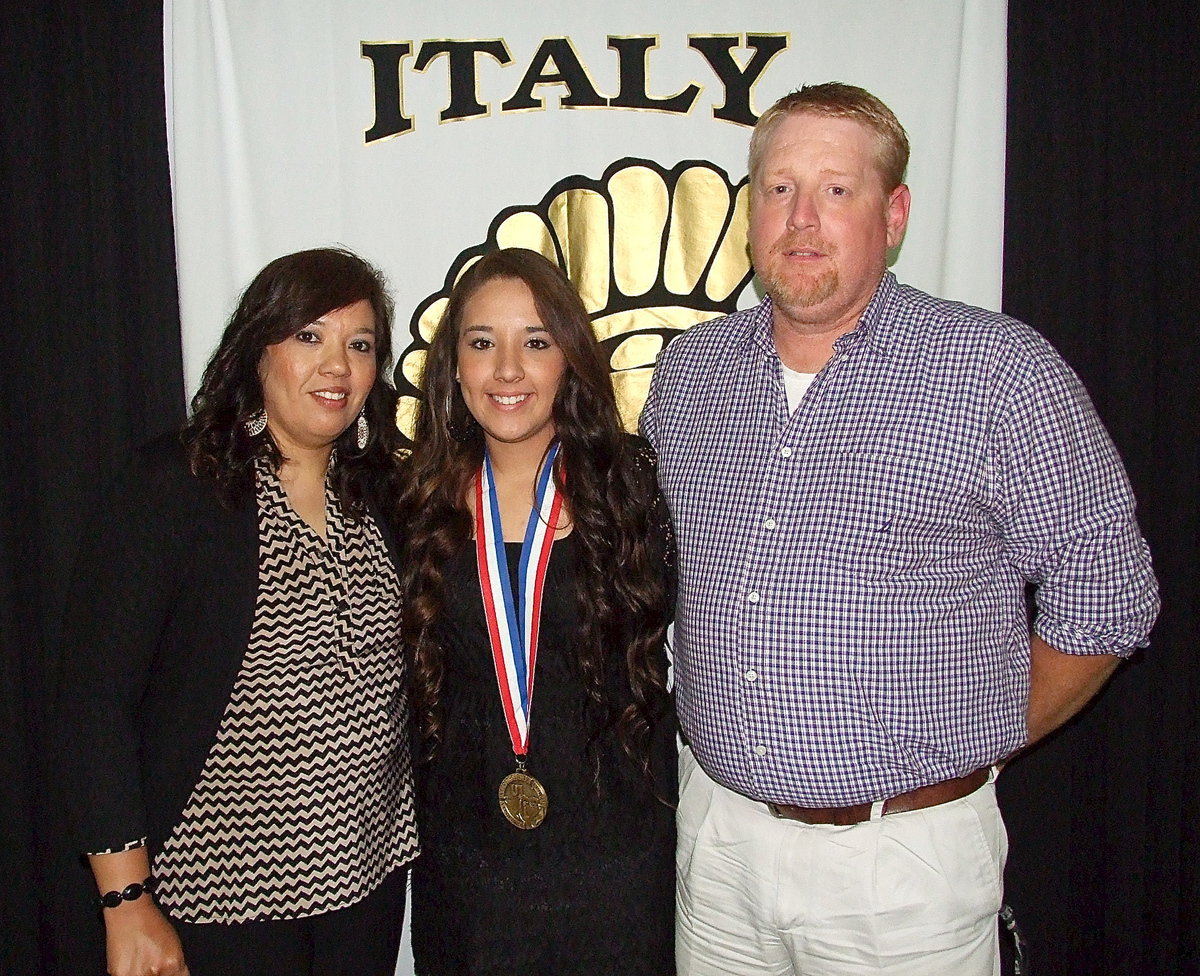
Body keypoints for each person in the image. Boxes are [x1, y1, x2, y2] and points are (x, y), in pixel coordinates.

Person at [640, 83, 1160, 976]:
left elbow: (1109, 596)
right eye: (777, 189)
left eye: (837, 190)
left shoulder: (998, 372)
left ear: (896, 211)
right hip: (715, 844)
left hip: (902, 868)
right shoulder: (691, 374)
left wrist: (974, 734)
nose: (801, 218)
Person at [53, 248, 419, 976]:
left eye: (360, 344)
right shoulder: (175, 489)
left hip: (368, 885)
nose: (337, 367)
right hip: (218, 900)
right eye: (309, 337)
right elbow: (94, 702)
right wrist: (126, 901)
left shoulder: (387, 497)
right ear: (257, 349)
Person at [395, 247, 676, 975]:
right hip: (469, 873)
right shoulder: (414, 507)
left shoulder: (634, 488)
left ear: (570, 360)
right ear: (454, 366)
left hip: (616, 866)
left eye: (537, 342)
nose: (509, 369)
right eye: (483, 342)